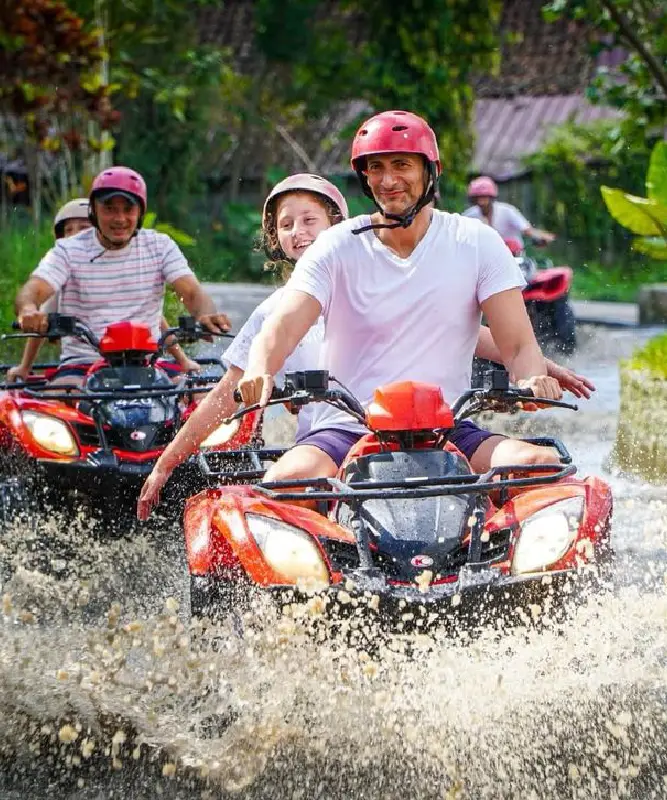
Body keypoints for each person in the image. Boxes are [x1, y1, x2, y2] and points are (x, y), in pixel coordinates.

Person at [136, 165, 594, 519]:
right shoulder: (275, 312)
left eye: (309, 220)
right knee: (283, 489)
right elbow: (229, 390)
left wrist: (538, 370)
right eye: (287, 224)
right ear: (274, 238)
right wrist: (167, 461)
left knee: (539, 466)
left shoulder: (375, 276)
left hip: (435, 428)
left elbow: (469, 334)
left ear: (337, 225)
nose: (299, 233)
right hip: (339, 434)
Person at [235, 110, 579, 487]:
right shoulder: (336, 245)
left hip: (445, 428)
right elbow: (282, 327)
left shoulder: (477, 242)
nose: (388, 180)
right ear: (364, 177)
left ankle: (504, 543)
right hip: (348, 429)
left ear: (430, 170)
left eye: (402, 164)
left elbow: (516, 345)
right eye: (376, 167)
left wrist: (532, 378)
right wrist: (260, 368)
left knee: (538, 464)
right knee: (284, 480)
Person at [14, 167, 230, 385]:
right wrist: (28, 310)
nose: (120, 218)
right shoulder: (68, 250)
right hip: (82, 367)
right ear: (94, 212)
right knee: (56, 404)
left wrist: (205, 314)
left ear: (140, 213)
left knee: (200, 400)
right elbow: (36, 288)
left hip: (149, 364)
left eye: (128, 209)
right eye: (109, 209)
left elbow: (191, 292)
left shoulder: (159, 245)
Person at [463, 176, 556, 248]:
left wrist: (541, 236)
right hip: (485, 260)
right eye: (477, 198)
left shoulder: (507, 211)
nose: (481, 202)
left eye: (484, 197)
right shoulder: (469, 215)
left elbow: (526, 230)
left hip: (513, 256)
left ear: (491, 197)